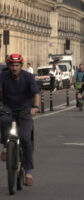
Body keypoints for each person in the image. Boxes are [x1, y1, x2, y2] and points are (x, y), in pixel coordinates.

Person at [0, 54, 40, 186]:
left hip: (25, 110)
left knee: (25, 139)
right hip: (8, 108)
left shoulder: (28, 77)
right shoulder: (3, 76)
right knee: (4, 121)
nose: (14, 68)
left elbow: (36, 93)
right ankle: (6, 146)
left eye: (17, 65)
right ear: (9, 65)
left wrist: (35, 107)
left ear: (21, 66)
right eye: (12, 65)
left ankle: (28, 171)